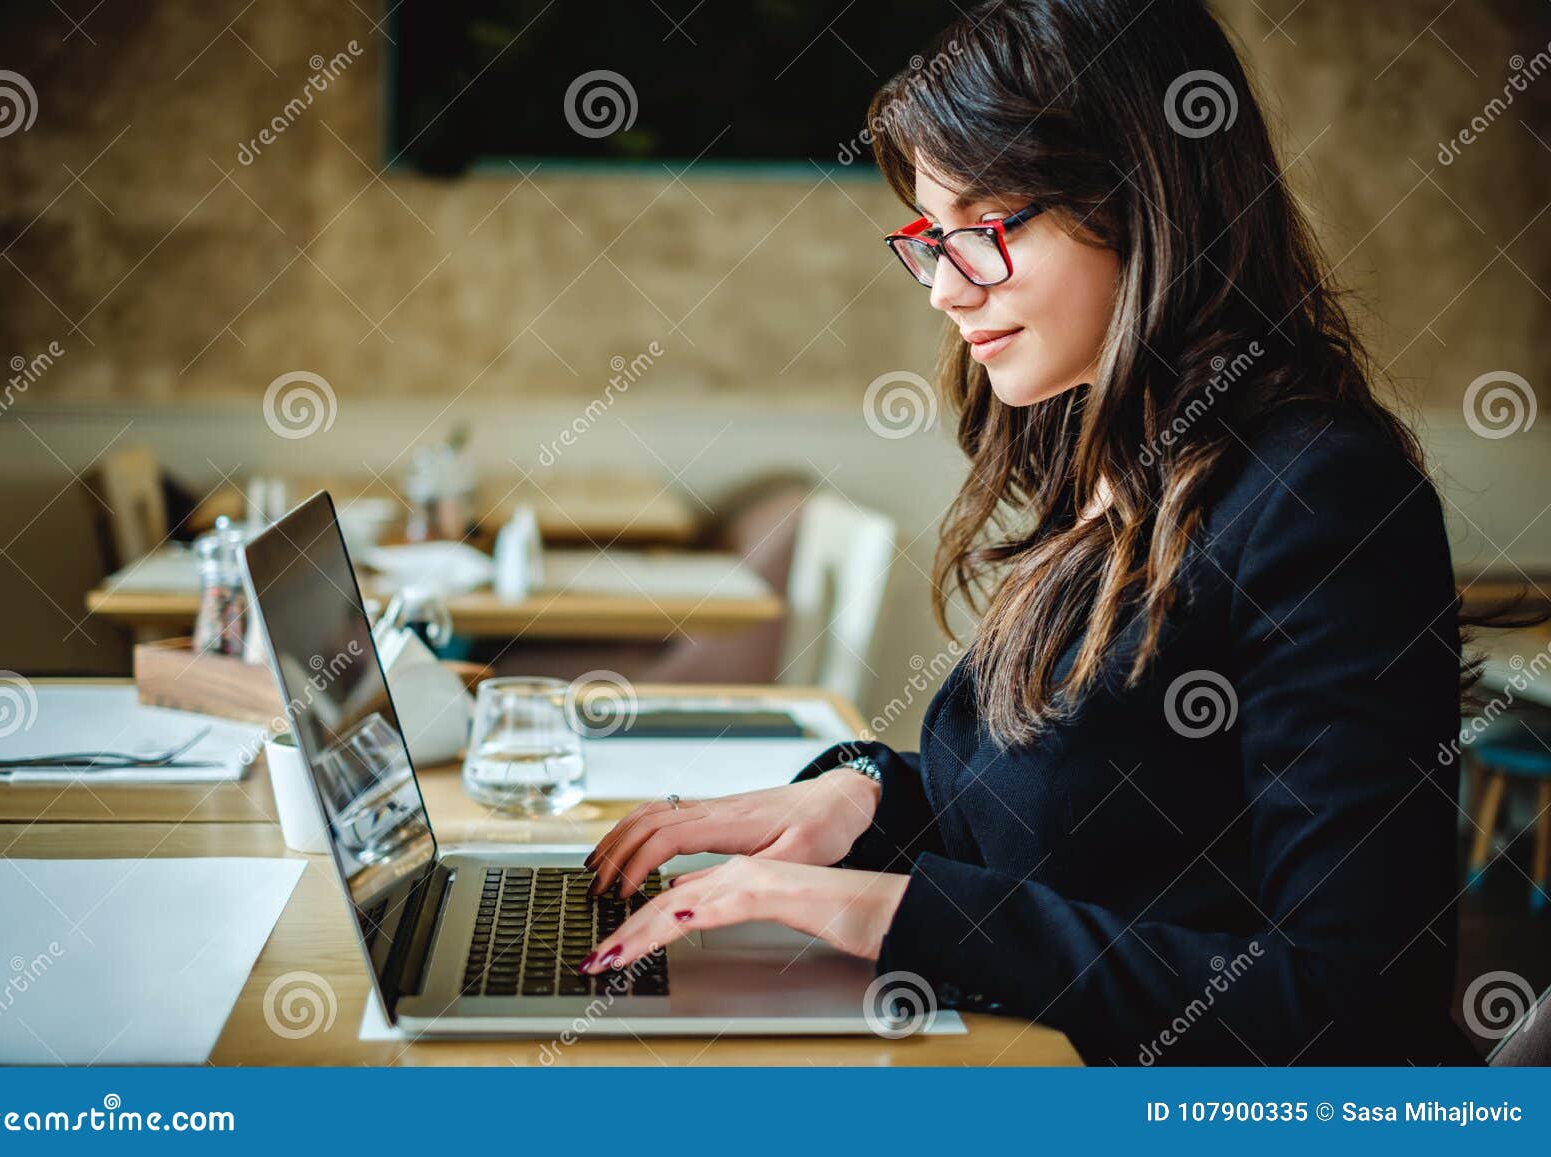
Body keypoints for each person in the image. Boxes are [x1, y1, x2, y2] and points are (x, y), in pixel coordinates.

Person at [583, 0, 1493, 1064]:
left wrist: (888, 907)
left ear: (1144, 195)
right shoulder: (1111, 455)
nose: (944, 289)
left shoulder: (1319, 495)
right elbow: (1065, 826)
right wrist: (861, 798)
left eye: (986, 226)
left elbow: (1346, 1006)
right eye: (928, 238)